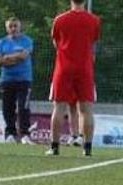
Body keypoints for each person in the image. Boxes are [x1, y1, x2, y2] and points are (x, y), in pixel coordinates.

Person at [48, 0, 100, 157]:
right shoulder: (94, 20)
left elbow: (56, 42)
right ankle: (87, 148)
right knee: (86, 110)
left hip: (64, 67)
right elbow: (93, 41)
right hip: (85, 67)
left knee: (59, 108)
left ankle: (55, 147)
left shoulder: (60, 19)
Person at [0, 17, 32, 144]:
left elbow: (23, 56)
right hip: (7, 80)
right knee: (7, 108)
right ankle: (10, 134)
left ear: (19, 27)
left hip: (24, 80)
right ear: (7, 28)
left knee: (23, 107)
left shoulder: (27, 40)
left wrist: (7, 58)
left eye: (15, 26)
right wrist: (13, 59)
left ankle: (25, 135)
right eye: (11, 26)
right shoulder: (2, 42)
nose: (13, 29)